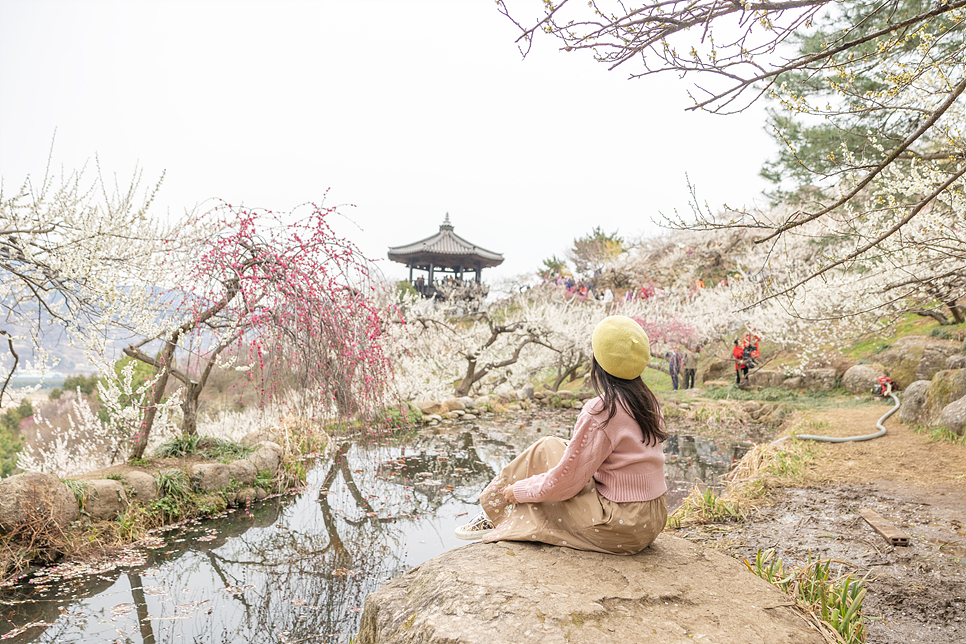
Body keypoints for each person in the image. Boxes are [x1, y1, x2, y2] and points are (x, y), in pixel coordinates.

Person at [454, 316, 668, 555]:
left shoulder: (602, 410)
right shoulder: (647, 402)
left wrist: (520, 491)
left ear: (598, 362)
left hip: (620, 524)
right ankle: (493, 508)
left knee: (551, 484)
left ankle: (497, 508)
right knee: (549, 445)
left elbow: (566, 484)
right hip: (653, 519)